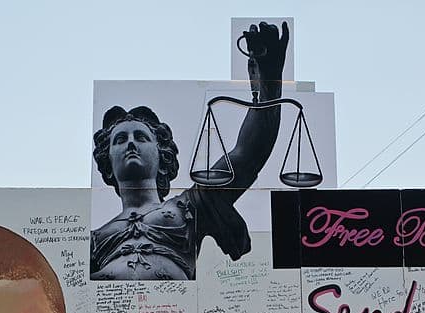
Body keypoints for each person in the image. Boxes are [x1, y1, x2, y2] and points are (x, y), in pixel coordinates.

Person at [90, 21, 289, 280]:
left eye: (140, 137)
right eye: (119, 140)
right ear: (107, 163)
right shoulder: (94, 239)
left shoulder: (191, 206)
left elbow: (246, 155)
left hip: (175, 306)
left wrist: (269, 85)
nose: (130, 143)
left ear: (162, 156)